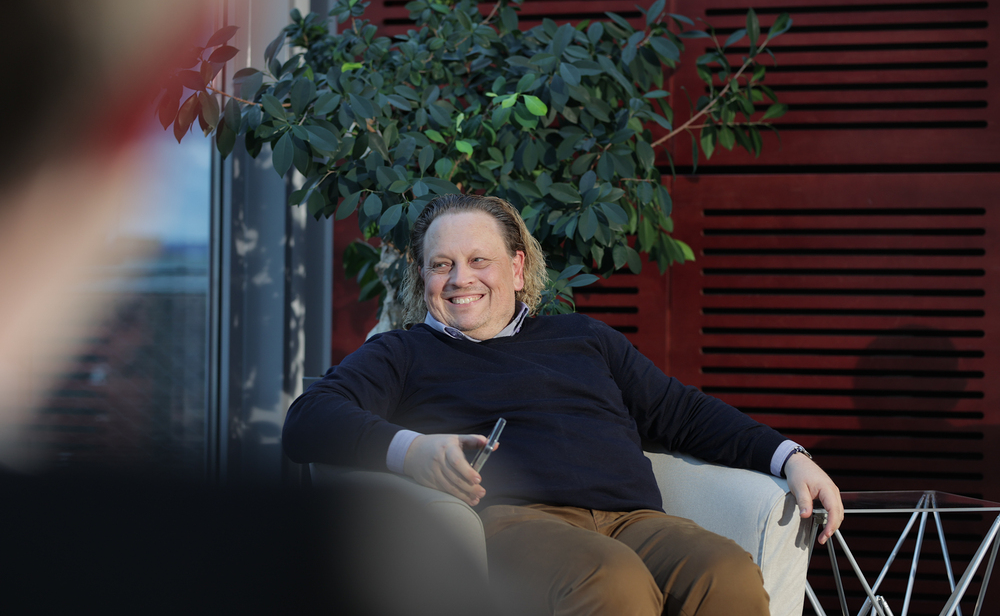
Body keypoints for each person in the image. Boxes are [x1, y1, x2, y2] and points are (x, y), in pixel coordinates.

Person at [282, 193, 844, 615]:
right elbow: (308, 418)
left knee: (727, 572)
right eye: (441, 264)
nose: (460, 279)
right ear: (423, 276)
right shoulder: (404, 352)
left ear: (517, 268)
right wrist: (411, 451)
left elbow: (683, 412)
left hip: (634, 519)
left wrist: (789, 456)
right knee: (611, 580)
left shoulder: (584, 338)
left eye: (478, 260)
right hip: (513, 523)